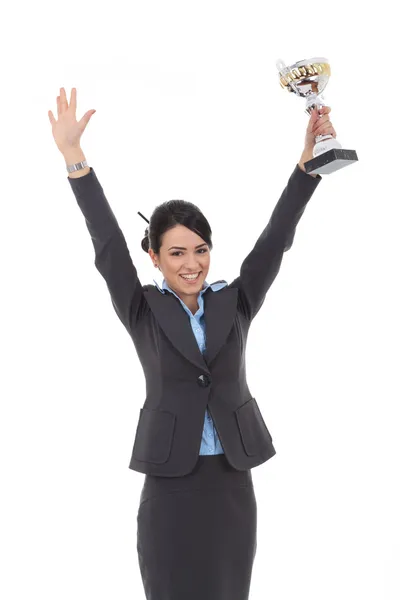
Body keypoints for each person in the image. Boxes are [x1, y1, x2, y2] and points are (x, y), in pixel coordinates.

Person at [48, 87, 335, 600]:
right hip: (170, 483)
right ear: (155, 258)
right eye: (176, 252)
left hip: (231, 480)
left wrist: (306, 167)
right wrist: (75, 158)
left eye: (200, 250)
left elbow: (276, 238)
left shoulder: (237, 301)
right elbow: (107, 242)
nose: (191, 264)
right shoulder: (143, 309)